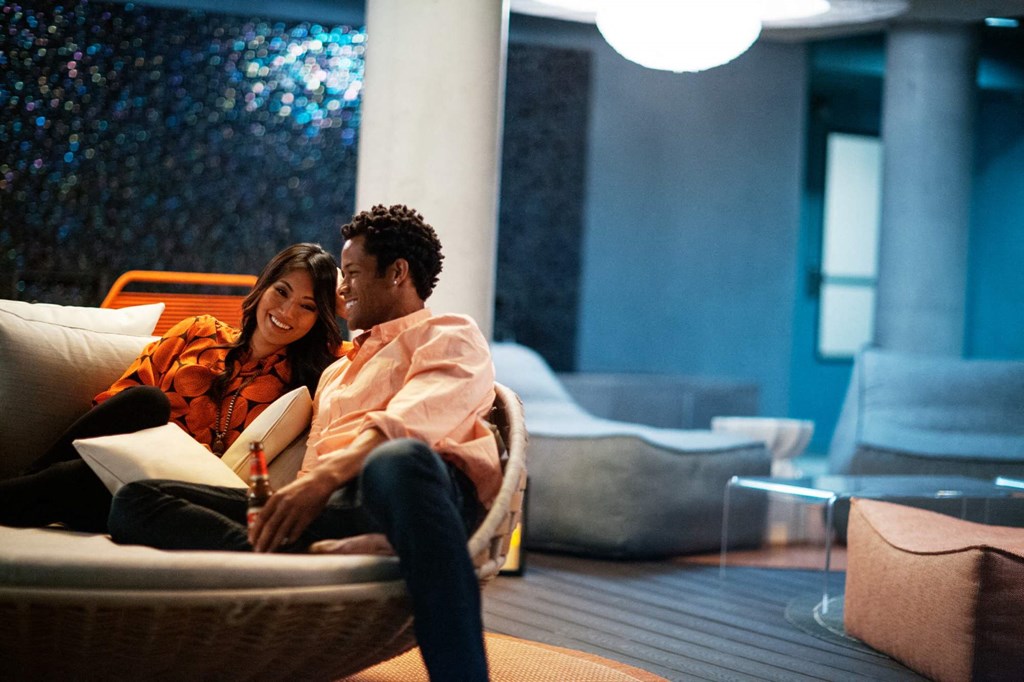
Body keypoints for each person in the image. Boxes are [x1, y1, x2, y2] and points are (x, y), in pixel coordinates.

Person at [108, 204, 501, 682]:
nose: (342, 289)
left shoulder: (448, 334)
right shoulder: (336, 371)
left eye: (352, 273)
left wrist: (318, 484)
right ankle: (295, 560)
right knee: (138, 500)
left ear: (398, 273)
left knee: (395, 457)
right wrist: (292, 508)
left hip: (418, 494)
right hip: (335, 508)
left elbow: (412, 421)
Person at [0, 242, 344, 533]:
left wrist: (342, 295)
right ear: (264, 285)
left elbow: (367, 348)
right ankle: (30, 479)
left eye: (308, 306)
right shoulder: (199, 331)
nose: (287, 311)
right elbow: (118, 402)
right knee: (147, 402)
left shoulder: (312, 375)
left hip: (172, 497)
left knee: (92, 483)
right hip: (125, 459)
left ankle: (22, 487)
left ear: (320, 317)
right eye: (281, 291)